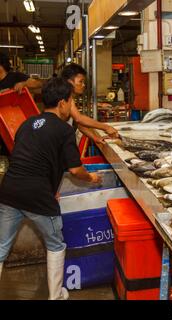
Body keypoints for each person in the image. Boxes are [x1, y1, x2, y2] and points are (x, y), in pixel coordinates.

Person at [0, 77, 102, 299]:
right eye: (71, 100)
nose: (70, 105)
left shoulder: (27, 124)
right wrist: (92, 177)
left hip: (8, 191)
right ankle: (56, 297)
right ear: (63, 103)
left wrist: (52, 186)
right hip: (37, 195)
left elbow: (33, 159)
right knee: (56, 245)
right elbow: (75, 170)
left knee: (0, 248)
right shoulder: (64, 130)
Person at [60, 63, 119, 144]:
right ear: (70, 82)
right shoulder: (64, 97)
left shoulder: (68, 96)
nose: (83, 85)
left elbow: (79, 124)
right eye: (80, 81)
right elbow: (79, 118)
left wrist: (96, 138)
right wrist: (106, 127)